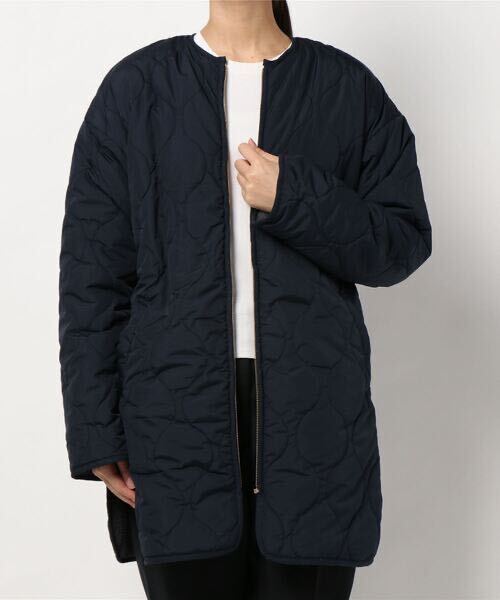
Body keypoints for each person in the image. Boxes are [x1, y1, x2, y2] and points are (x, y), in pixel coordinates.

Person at [58, 1, 432, 598]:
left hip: (314, 422)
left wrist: (293, 197)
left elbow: (403, 242)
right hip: (171, 422)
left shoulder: (347, 89)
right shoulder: (134, 91)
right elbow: (92, 282)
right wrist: (96, 432)